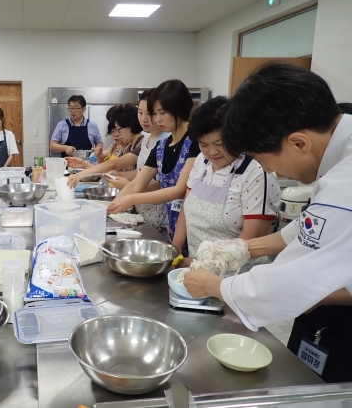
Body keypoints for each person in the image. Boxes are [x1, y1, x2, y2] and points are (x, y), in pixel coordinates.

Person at [182, 63, 352, 383]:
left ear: (299, 142)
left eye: (263, 159)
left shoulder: (345, 183)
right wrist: (243, 247)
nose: (272, 172)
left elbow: (297, 281)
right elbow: (312, 227)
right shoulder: (342, 153)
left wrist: (216, 286)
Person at [171, 96, 280, 271]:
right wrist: (175, 248)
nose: (212, 151)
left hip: (237, 275)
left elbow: (254, 235)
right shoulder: (201, 161)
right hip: (197, 269)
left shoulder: (257, 171)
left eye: (219, 144)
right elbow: (187, 206)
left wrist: (205, 265)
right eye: (203, 144)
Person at [108, 80, 200, 241]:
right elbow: (136, 184)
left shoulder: (196, 142)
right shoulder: (162, 146)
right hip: (171, 225)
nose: (157, 119)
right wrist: (110, 209)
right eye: (155, 114)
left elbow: (179, 189)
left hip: (192, 227)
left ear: (179, 108)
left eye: (162, 113)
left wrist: (132, 198)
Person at [67, 104, 145, 185]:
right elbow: (132, 173)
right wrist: (83, 164)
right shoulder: (129, 147)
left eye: (118, 129)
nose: (117, 134)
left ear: (130, 125)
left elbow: (114, 164)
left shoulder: (142, 144)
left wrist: (80, 175)